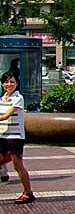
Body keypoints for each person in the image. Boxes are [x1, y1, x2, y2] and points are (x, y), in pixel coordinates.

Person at [0, 71, 34, 203]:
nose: (9, 84)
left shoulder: (18, 98)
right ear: (3, 84)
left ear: (17, 83)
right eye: (6, 82)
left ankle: (28, 193)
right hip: (2, 136)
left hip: (15, 137)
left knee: (18, 165)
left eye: (12, 81)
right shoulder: (1, 99)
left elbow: (6, 116)